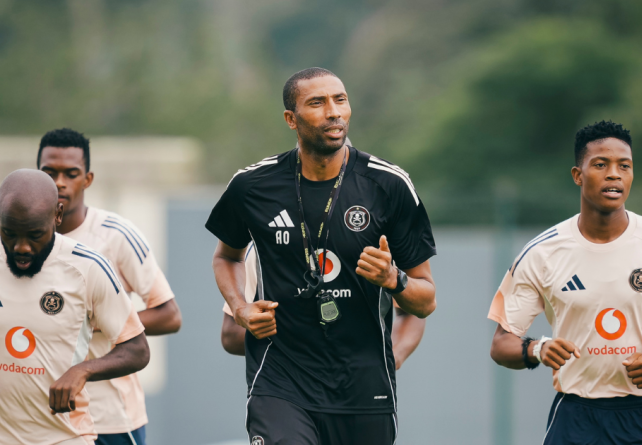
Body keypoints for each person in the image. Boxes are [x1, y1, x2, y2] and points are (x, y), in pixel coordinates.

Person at [208, 67, 437, 445]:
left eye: (340, 100)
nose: (333, 112)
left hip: (364, 388)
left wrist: (393, 279)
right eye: (317, 103)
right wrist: (240, 308)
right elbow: (226, 257)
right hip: (281, 383)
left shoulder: (389, 185)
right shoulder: (252, 186)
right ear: (291, 119)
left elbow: (425, 301)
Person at [488, 121, 642, 445]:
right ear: (577, 175)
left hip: (639, 414)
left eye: (624, 166)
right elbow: (501, 344)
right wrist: (538, 349)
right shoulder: (542, 252)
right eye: (600, 165)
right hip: (573, 414)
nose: (614, 175)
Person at [0, 169, 150, 444]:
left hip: (67, 437)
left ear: (57, 215)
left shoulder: (89, 268)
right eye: (9, 233)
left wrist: (82, 371)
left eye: (35, 234)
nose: (21, 247)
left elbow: (137, 349)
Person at [37, 128, 182, 445]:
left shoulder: (115, 236)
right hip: (41, 417)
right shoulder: (21, 242)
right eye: (49, 173)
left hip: (109, 418)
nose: (59, 182)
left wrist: (102, 321)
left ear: (87, 179)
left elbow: (169, 315)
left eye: (71, 173)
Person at [220, 242, 426, 370]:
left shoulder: (378, 236)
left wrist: (392, 357)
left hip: (360, 385)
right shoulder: (265, 241)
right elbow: (230, 334)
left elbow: (415, 310)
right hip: (287, 385)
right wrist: (298, 337)